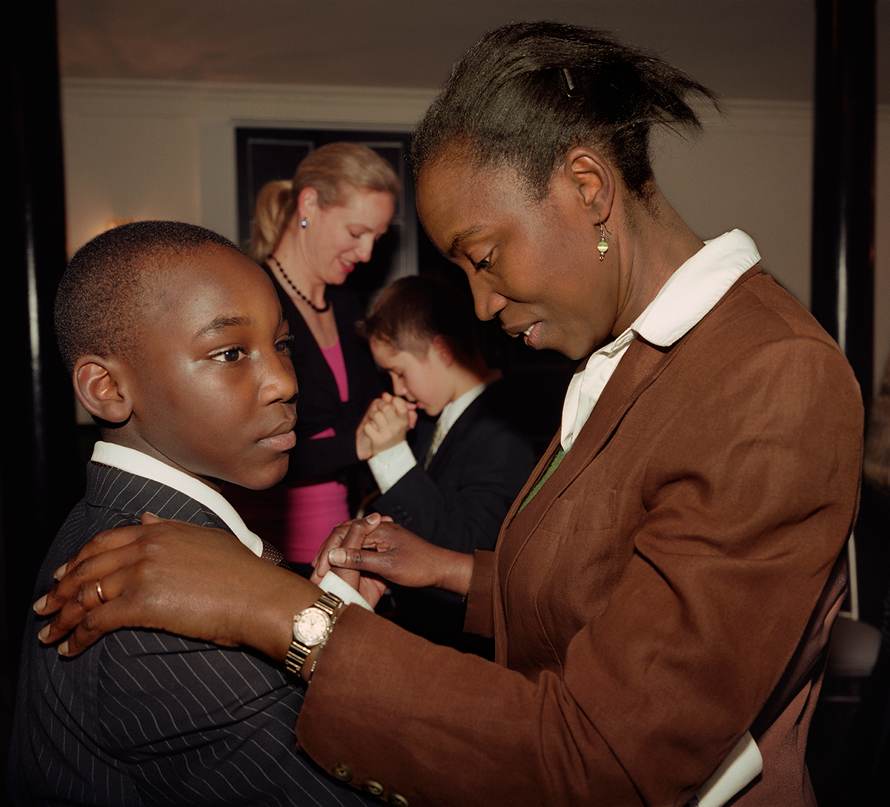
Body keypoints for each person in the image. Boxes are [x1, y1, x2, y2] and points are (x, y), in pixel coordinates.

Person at [35, 23, 863, 806]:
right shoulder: (624, 355)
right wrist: (443, 569)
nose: (479, 301)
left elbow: (605, 762)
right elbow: (608, 587)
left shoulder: (768, 374)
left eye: (486, 257)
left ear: (586, 188)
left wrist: (284, 611)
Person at [8, 221, 374, 805]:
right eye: (230, 353)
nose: (284, 381)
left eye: (282, 346)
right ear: (106, 388)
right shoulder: (158, 623)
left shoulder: (117, 518)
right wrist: (336, 626)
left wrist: (332, 603)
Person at [239, 142, 399, 569]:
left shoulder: (346, 306)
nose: (366, 254)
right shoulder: (254, 297)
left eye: (376, 239)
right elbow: (246, 447)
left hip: (338, 538)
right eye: (356, 233)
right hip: (270, 547)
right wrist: (358, 443)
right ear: (309, 202)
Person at [353, 275, 536, 647]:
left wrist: (391, 455)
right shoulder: (435, 420)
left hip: (466, 646)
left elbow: (467, 550)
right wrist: (371, 451)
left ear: (442, 350)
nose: (396, 389)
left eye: (400, 372)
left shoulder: (505, 431)